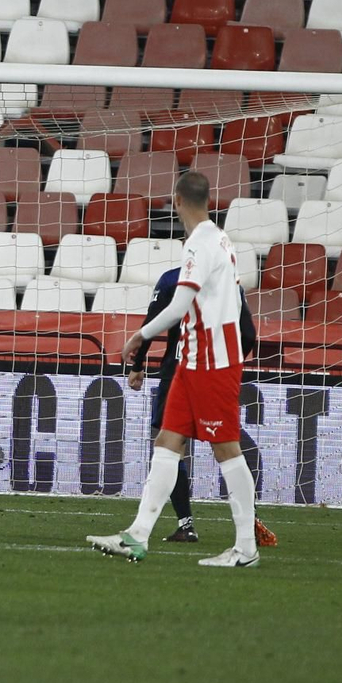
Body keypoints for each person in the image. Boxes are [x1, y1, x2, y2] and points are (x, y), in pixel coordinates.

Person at [91, 172, 260, 567]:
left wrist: (139, 335)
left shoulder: (199, 245)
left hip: (212, 363)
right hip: (192, 359)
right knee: (167, 442)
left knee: (226, 449)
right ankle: (136, 536)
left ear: (177, 200)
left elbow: (180, 305)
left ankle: (246, 547)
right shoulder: (219, 237)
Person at [129, 266, 275, 548]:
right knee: (225, 448)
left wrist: (137, 365)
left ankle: (184, 525)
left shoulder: (172, 278)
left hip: (178, 373)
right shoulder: (231, 280)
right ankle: (249, 523)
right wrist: (229, 365)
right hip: (214, 373)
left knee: (169, 446)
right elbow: (247, 334)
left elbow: (153, 321)